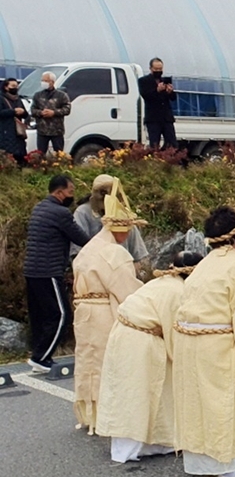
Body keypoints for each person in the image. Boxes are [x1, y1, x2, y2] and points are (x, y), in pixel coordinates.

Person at [173, 206, 235, 477]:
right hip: (217, 347)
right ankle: (225, 471)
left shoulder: (202, 265)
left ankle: (205, 467)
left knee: (198, 404)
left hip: (189, 346)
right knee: (220, 403)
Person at [96, 251, 203, 463]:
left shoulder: (162, 282)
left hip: (124, 335)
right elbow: (176, 335)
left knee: (136, 391)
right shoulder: (178, 292)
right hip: (141, 341)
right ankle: (135, 446)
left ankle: (154, 442)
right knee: (140, 392)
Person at [71, 178, 145, 434]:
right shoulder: (116, 254)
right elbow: (128, 291)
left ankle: (88, 414)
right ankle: (106, 416)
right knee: (106, 362)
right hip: (103, 310)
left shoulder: (90, 248)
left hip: (83, 309)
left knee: (87, 361)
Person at [24, 175, 91, 373]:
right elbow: (81, 238)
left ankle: (40, 355)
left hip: (32, 270)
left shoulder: (40, 207)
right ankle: (41, 358)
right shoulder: (60, 213)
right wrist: (104, 244)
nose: (72, 196)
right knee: (61, 315)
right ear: (59, 192)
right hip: (48, 271)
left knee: (39, 316)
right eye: (70, 192)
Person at [72, 174, 149, 267]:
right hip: (94, 269)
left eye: (110, 191)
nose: (106, 197)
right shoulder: (83, 213)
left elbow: (139, 255)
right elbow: (78, 252)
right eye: (103, 192)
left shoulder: (123, 215)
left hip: (122, 269)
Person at [138, 58, 177, 150]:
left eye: (160, 69)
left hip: (166, 118)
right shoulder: (144, 81)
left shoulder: (164, 80)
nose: (158, 71)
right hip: (153, 118)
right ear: (151, 68)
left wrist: (170, 92)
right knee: (154, 144)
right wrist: (157, 91)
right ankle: (156, 161)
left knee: (172, 143)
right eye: (156, 69)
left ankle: (169, 159)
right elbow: (146, 96)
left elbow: (173, 98)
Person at [31, 71, 71, 154]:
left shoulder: (62, 95)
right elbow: (33, 110)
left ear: (52, 82)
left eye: (45, 80)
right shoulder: (37, 95)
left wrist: (54, 112)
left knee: (59, 154)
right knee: (40, 153)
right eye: (42, 80)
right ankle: (42, 166)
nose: (43, 82)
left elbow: (67, 109)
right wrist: (41, 113)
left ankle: (59, 166)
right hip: (42, 130)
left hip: (57, 130)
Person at [0, 77, 28, 163]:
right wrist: (13, 111)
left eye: (16, 86)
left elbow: (26, 115)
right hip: (6, 131)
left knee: (21, 155)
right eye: (13, 86)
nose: (15, 88)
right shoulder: (1, 98)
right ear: (6, 87)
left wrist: (23, 112)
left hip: (18, 132)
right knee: (9, 154)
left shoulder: (18, 99)